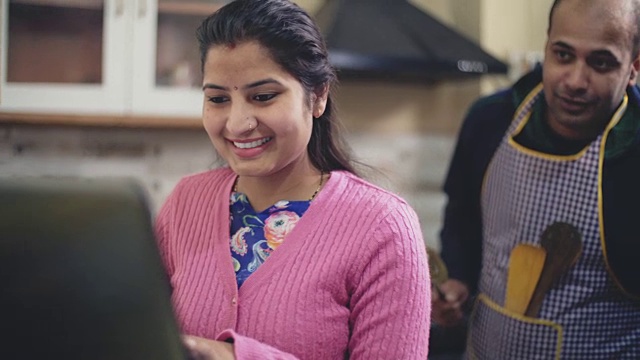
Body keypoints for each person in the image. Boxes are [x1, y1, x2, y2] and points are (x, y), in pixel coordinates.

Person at [153, 1, 431, 359]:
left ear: (318, 96)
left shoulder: (383, 226)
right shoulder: (185, 203)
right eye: (218, 99)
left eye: (264, 96)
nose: (237, 123)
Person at [432, 0, 640, 358]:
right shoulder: (490, 120)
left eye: (601, 62)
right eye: (563, 55)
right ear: (546, 46)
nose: (575, 80)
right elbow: (463, 218)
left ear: (634, 67)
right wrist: (459, 280)